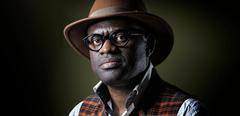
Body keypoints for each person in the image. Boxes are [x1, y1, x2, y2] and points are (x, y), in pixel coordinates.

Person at [64, 0, 208, 115]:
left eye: (121, 37)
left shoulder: (185, 111)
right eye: (96, 40)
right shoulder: (79, 112)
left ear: (149, 45)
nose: (106, 48)